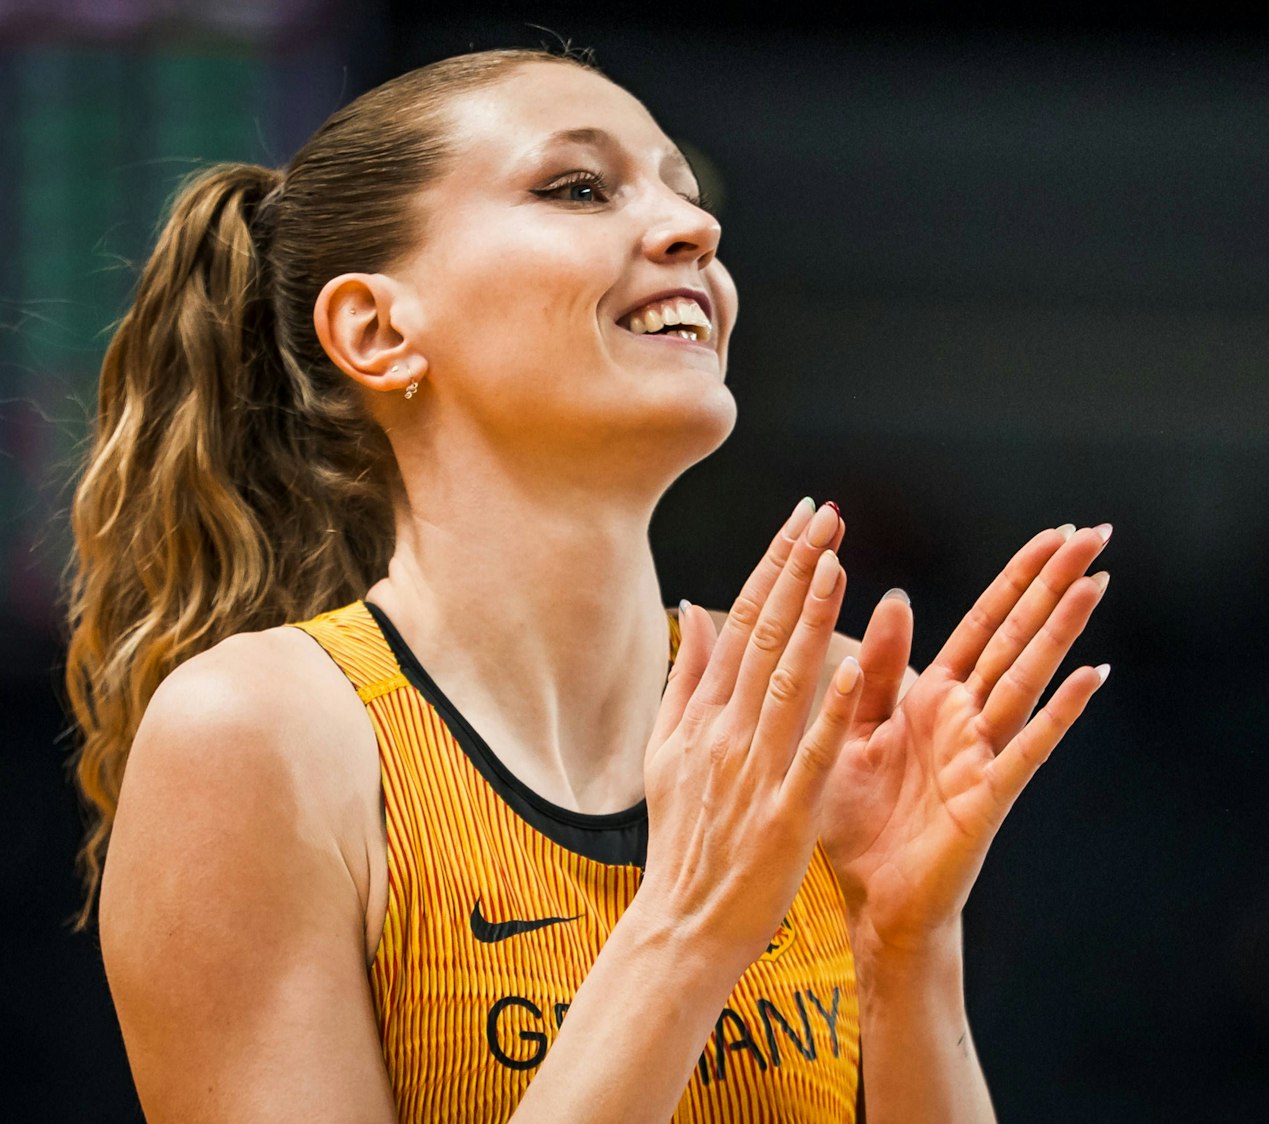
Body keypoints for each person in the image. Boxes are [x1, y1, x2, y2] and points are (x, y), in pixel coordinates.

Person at [62, 46, 1111, 1123]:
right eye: (578, 187)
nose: (691, 229)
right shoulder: (256, 733)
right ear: (378, 331)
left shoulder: (812, 712)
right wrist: (686, 929)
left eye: (683, 192)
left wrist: (908, 945)